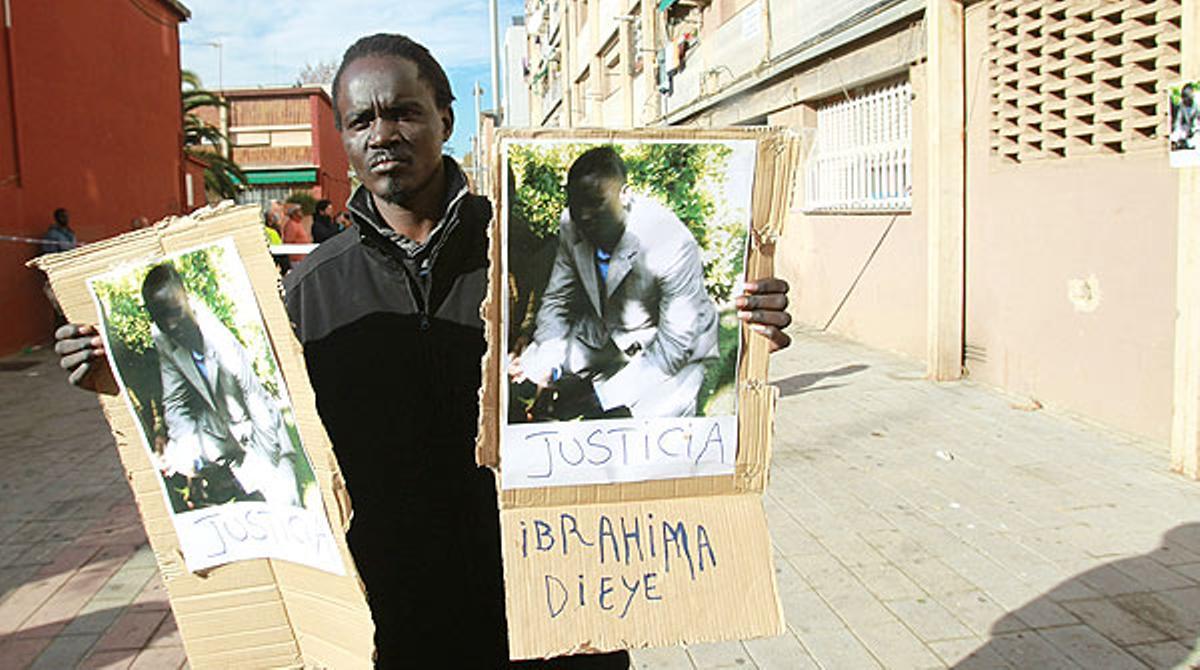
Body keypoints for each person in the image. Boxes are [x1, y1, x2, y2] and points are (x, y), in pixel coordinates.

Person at [53, 33, 792, 667]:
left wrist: (749, 320)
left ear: (445, 117)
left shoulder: (523, 251)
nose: (384, 133)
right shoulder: (305, 295)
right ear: (344, 140)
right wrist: (116, 373)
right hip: (396, 624)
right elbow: (251, 425)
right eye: (361, 120)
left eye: (404, 111)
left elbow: (646, 338)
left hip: (552, 606)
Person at [509, 147, 718, 420]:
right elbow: (558, 300)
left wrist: (601, 397)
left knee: (661, 426)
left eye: (595, 202)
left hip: (670, 347)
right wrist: (548, 364)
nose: (584, 215)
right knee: (535, 361)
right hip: (608, 335)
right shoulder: (570, 223)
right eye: (576, 204)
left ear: (625, 195)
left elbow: (675, 346)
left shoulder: (670, 241)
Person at [141, 263, 303, 508]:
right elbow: (175, 402)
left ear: (187, 299)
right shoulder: (162, 335)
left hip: (267, 443)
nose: (170, 324)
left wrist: (263, 471)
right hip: (225, 450)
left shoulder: (219, 340)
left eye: (174, 312)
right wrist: (190, 456)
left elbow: (256, 401)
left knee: (286, 512)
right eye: (160, 317)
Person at [1173, 83, 1200, 151]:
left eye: (1187, 98)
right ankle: (1179, 143)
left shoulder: (1197, 103)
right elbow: (1178, 121)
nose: (1185, 101)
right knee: (1180, 132)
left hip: (1196, 127)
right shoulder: (1181, 105)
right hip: (1188, 128)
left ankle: (1188, 143)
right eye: (1183, 99)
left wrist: (1195, 128)